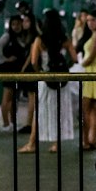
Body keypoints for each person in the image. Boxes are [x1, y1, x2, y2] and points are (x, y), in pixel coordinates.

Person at [19, 9, 76, 154]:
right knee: (60, 111)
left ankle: (32, 143)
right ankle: (57, 144)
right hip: (63, 81)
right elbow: (74, 59)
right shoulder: (65, 39)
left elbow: (33, 62)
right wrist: (65, 68)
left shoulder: (40, 40)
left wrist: (40, 72)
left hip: (45, 80)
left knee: (40, 112)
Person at [0, 13, 28, 131]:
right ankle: (6, 124)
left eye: (18, 24)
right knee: (7, 97)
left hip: (17, 71)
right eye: (13, 24)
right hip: (9, 69)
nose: (15, 27)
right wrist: (4, 60)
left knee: (14, 98)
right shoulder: (7, 36)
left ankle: (13, 122)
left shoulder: (22, 37)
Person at [77, 8, 96, 150]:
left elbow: (91, 56)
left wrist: (79, 65)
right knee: (92, 108)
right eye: (88, 20)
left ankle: (87, 140)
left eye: (93, 20)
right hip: (91, 73)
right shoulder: (92, 35)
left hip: (93, 73)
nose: (90, 23)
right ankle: (92, 139)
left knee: (86, 107)